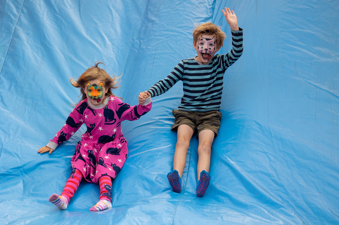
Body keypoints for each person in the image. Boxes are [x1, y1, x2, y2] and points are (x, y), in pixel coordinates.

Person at [140, 7, 243, 197]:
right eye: (202, 44)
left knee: (205, 145)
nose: (206, 49)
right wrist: (150, 93)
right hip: (186, 112)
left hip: (210, 115)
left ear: (218, 48)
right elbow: (167, 82)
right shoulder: (185, 65)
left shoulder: (219, 63)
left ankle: (202, 178)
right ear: (195, 44)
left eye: (211, 45)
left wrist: (234, 28)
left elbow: (236, 53)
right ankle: (176, 175)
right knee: (182, 141)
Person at [38, 62, 152, 212]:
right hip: (89, 145)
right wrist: (53, 143)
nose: (94, 94)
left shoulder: (114, 104)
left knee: (105, 168)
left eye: (98, 88)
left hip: (112, 145)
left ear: (105, 89)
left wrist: (145, 103)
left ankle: (105, 200)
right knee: (78, 167)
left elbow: (131, 113)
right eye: (89, 89)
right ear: (84, 90)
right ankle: (65, 198)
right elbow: (70, 126)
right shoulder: (83, 108)